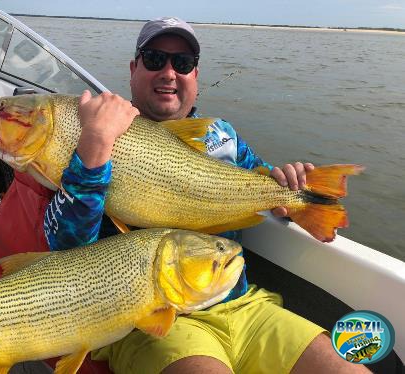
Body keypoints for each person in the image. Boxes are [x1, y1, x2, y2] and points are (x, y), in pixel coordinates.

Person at [42, 17, 369, 374]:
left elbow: (261, 182)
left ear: (195, 76)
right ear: (134, 69)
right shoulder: (94, 134)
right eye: (154, 59)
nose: (169, 72)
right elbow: (64, 249)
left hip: (244, 306)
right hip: (155, 322)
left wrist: (291, 192)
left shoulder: (221, 136)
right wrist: (96, 144)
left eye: (182, 64)